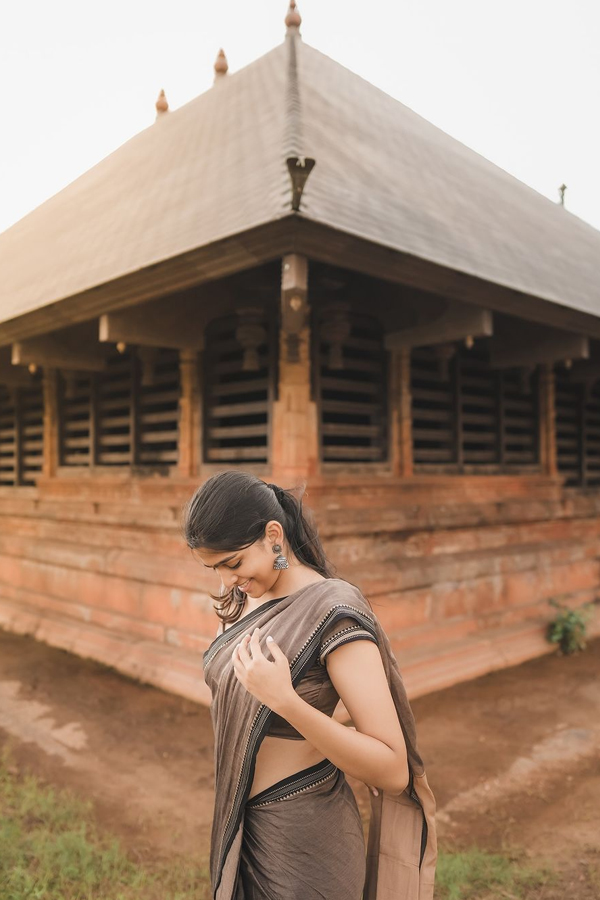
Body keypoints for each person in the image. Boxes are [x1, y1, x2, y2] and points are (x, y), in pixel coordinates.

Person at [182, 471, 437, 900]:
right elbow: (327, 699)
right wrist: (323, 719)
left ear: (273, 535)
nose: (226, 582)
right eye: (214, 569)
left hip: (305, 834)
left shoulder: (333, 609)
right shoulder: (248, 597)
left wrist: (286, 701)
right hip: (245, 822)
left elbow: (393, 770)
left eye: (233, 563)